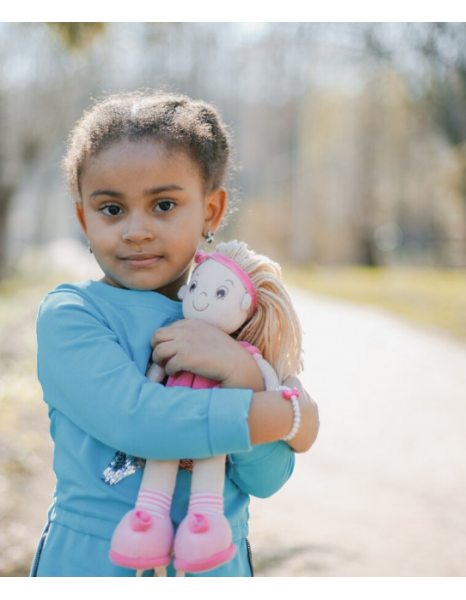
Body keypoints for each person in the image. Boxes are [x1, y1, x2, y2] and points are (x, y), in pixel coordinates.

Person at [30, 92, 319, 577]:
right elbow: (139, 421)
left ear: (211, 211)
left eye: (163, 205)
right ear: (83, 218)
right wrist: (288, 415)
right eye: (111, 209)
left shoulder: (239, 325)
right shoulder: (72, 315)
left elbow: (267, 479)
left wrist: (243, 372)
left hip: (214, 566)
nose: (136, 231)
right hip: (93, 565)